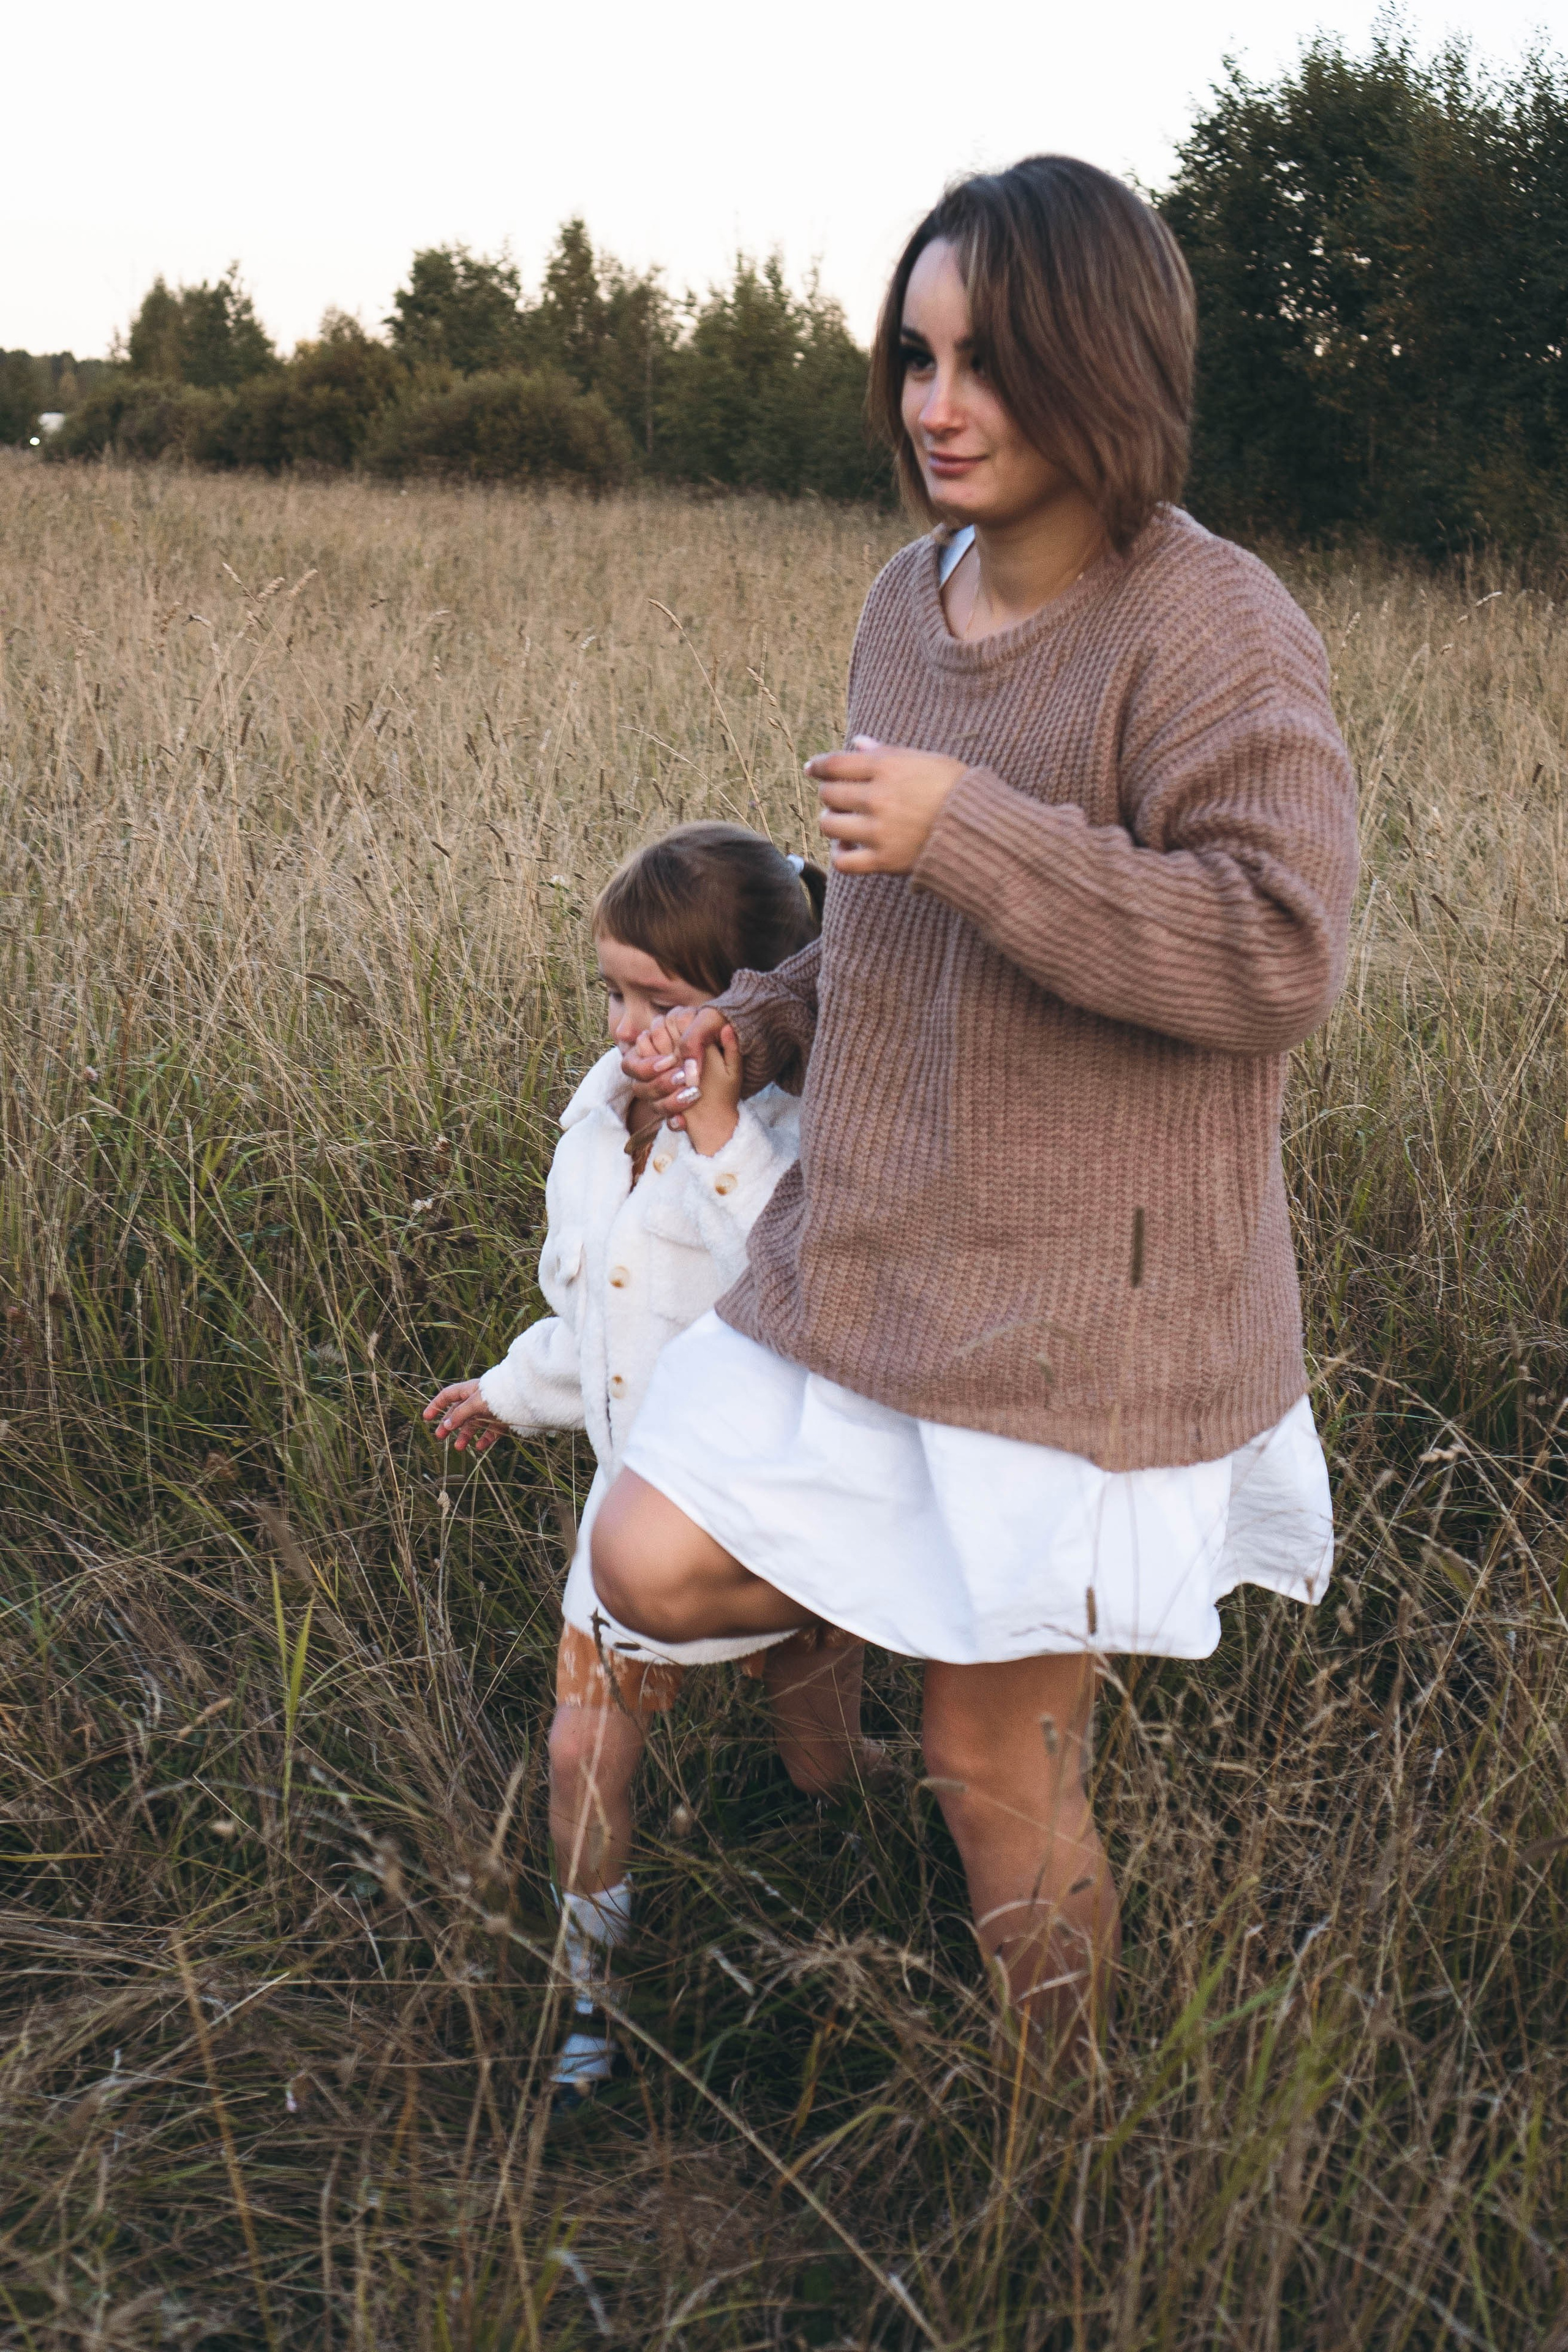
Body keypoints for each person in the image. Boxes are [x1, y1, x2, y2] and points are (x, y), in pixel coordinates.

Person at [590, 154, 1360, 2059]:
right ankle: (893, 1599)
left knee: (983, 1765)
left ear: (1102, 363)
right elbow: (883, 943)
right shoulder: (899, 601)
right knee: (648, 1558)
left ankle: (1064, 2152)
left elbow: (1277, 952)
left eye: (990, 362)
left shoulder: (1211, 627)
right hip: (872, 1266)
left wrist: (981, 829)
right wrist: (752, 1033)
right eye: (918, 357)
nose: (938, 405)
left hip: (1080, 1310)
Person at [422, 824, 875, 2109]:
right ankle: (588, 1994)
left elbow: (801, 1296)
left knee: (818, 1767)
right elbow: (605, 1313)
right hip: (635, 1510)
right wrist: (513, 1390)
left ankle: (861, 1871)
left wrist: (724, 1132)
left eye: (663, 1003)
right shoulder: (598, 1120)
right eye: (613, 993)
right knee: (580, 1753)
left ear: (748, 1009)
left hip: (771, 1516)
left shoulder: (793, 1136)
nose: (628, 1029)